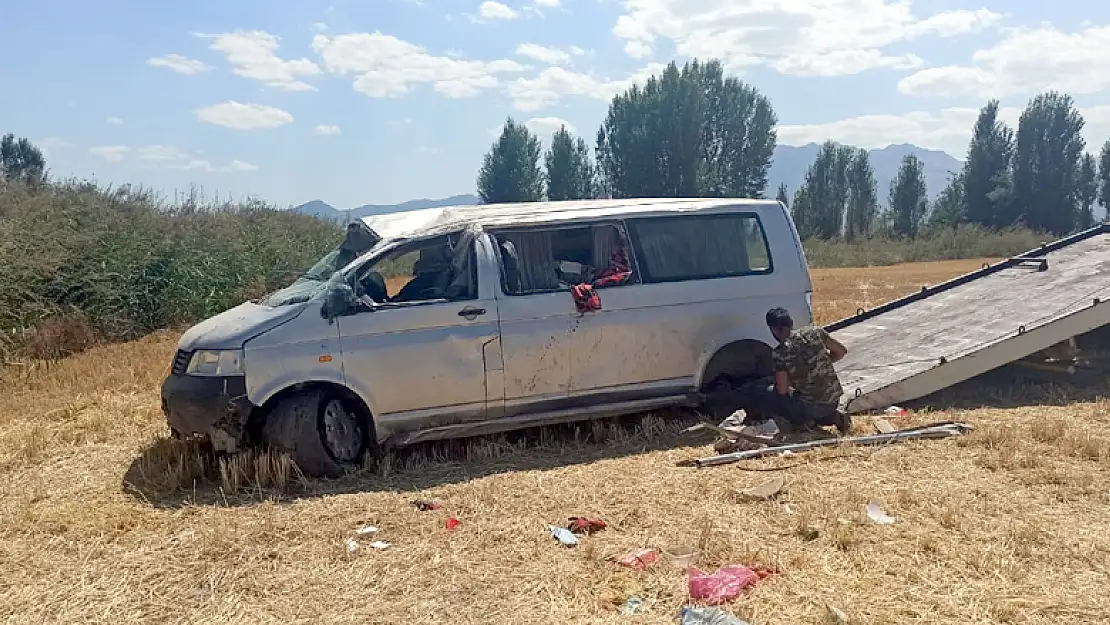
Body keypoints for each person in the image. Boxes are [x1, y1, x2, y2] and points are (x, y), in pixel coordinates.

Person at [764, 306, 852, 436]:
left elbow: (782, 389)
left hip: (812, 407)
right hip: (834, 399)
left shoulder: (780, 354)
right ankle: (834, 417)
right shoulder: (815, 332)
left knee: (773, 393)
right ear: (791, 323)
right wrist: (820, 364)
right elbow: (841, 351)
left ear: (773, 329)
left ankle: (806, 425)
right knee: (812, 401)